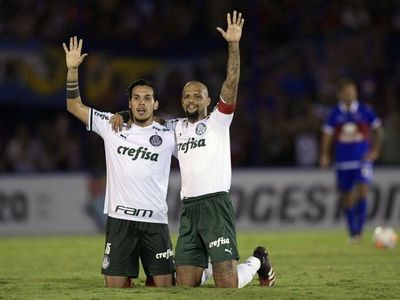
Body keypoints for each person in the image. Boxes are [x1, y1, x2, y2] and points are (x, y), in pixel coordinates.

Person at [112, 10, 275, 288]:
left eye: (197, 95)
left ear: (208, 99)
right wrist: (123, 114)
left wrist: (233, 46)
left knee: (229, 285)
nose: (191, 100)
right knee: (186, 284)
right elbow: (148, 118)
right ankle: (210, 265)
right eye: (187, 96)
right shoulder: (175, 128)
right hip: (189, 209)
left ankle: (259, 260)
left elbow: (232, 82)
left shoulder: (218, 121)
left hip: (215, 205)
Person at [63, 36, 176, 287]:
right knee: (115, 288)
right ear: (129, 103)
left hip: (155, 220)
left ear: (155, 104)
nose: (141, 103)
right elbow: (74, 106)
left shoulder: (169, 134)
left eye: (147, 98)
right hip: (120, 220)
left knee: (165, 286)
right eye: (136, 98)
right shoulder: (112, 125)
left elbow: (194, 138)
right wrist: (72, 70)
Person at [319, 78, 383, 243]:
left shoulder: (365, 110)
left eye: (353, 91)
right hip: (343, 161)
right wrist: (325, 154)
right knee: (347, 196)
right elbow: (327, 135)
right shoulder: (334, 113)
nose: (351, 94)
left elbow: (378, 129)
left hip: (362, 160)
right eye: (347, 92)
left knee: (362, 192)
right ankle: (353, 233)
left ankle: (359, 232)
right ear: (340, 94)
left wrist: (375, 150)